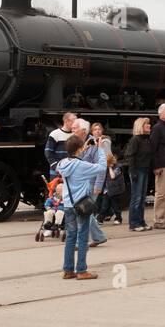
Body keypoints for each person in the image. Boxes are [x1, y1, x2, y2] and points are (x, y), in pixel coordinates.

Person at [55, 135, 104, 280]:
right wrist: (100, 150)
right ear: (78, 149)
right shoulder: (81, 165)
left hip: (68, 205)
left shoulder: (63, 163)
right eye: (82, 147)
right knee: (82, 237)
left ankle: (68, 270)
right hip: (81, 205)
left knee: (70, 237)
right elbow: (101, 167)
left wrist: (84, 148)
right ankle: (81, 270)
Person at [71, 120, 110, 246]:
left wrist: (99, 185)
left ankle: (80, 241)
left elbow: (102, 165)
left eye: (74, 128)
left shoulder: (95, 143)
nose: (72, 131)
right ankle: (98, 237)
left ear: (83, 131)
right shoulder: (78, 143)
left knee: (82, 211)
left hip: (92, 184)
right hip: (81, 183)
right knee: (85, 211)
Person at [123, 117, 153, 232]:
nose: (149, 126)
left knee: (142, 198)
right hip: (137, 170)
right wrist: (132, 171)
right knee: (136, 197)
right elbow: (130, 156)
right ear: (141, 126)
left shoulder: (146, 139)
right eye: (147, 125)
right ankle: (133, 223)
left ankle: (141, 221)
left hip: (144, 170)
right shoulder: (135, 140)